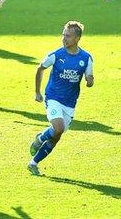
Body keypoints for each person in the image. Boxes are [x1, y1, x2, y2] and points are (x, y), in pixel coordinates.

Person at [27, 21, 94, 176]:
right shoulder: (56, 55)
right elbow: (40, 68)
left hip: (70, 103)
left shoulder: (86, 58)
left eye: (68, 36)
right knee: (58, 128)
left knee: (56, 136)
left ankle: (33, 163)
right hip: (53, 98)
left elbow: (89, 77)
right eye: (63, 35)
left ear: (77, 39)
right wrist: (37, 92)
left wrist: (90, 80)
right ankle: (40, 139)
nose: (64, 38)